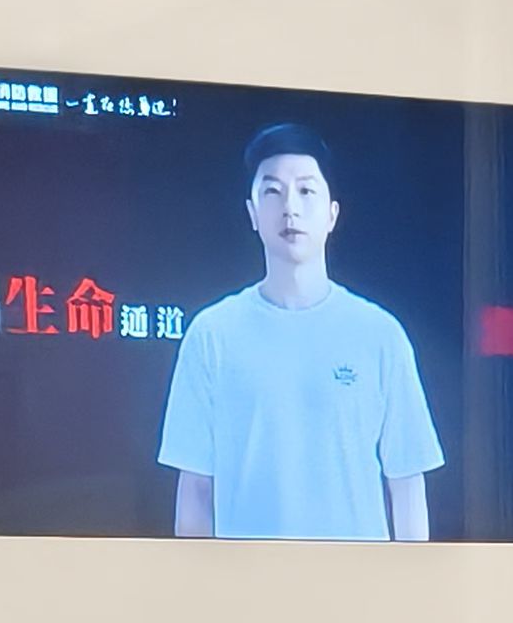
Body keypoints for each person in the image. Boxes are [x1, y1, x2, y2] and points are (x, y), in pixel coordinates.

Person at [158, 123, 445, 540]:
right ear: (253, 213)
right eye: (272, 192)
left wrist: (408, 578)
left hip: (357, 578)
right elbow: (195, 490)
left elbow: (406, 485)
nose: (290, 208)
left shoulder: (380, 335)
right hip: (246, 578)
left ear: (332, 214)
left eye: (306, 191)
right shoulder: (212, 334)